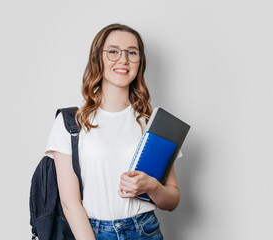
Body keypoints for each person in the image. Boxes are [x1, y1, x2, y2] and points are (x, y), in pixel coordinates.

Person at [45, 23, 183, 240]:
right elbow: (70, 204)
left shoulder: (153, 123)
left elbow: (172, 200)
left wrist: (152, 187)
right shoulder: (71, 122)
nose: (123, 60)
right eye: (113, 52)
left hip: (145, 231)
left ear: (140, 62)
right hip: (92, 233)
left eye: (132, 53)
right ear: (97, 58)